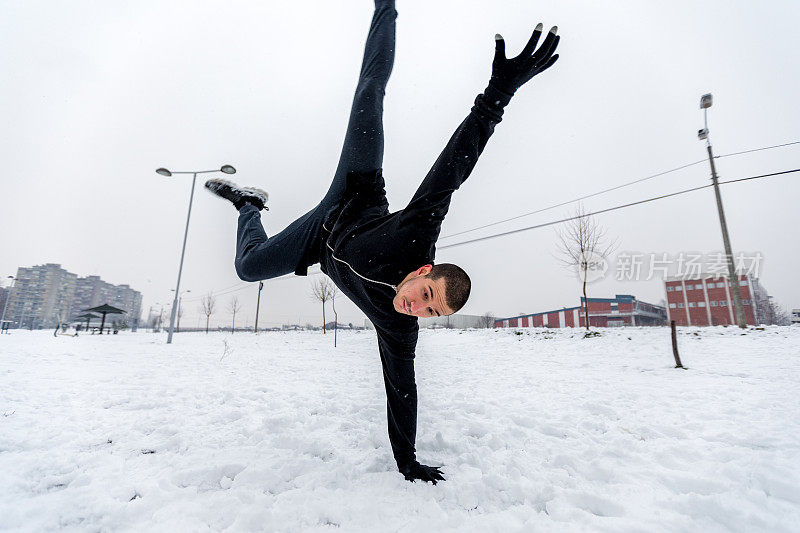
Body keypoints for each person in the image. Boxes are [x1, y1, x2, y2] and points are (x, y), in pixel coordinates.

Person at [205, 0, 559, 484]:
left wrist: (407, 461)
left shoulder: (399, 327)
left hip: (315, 247)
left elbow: (403, 389)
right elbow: (452, 170)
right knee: (370, 91)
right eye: (428, 295)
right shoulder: (416, 235)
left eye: (431, 313)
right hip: (354, 192)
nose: (418, 308)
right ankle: (385, 4)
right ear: (422, 272)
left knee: (247, 268)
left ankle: (248, 204)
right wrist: (498, 93)